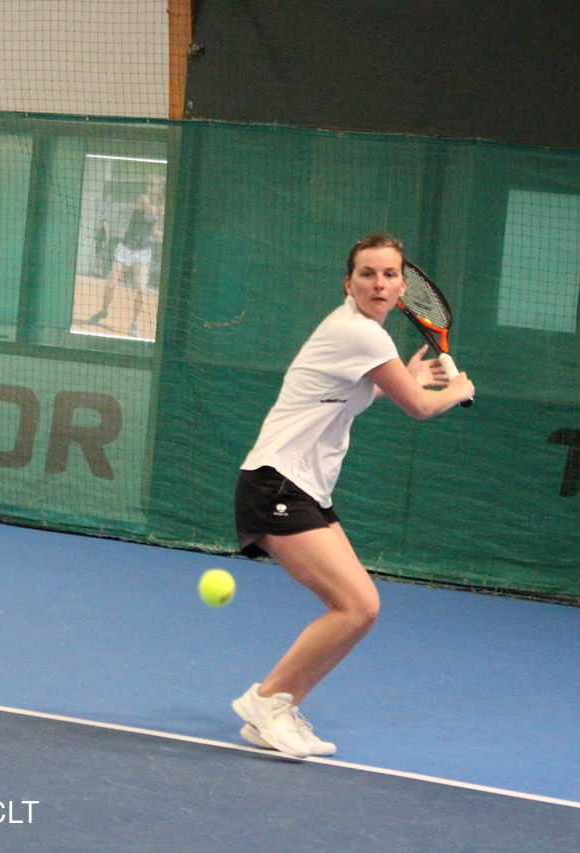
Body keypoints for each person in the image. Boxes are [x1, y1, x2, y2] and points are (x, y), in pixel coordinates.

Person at [230, 233, 475, 759]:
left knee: (359, 610)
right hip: (278, 485)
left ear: (403, 287)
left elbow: (352, 392)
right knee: (357, 605)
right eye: (367, 274)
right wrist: (457, 391)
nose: (379, 283)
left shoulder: (358, 333)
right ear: (349, 283)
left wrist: (405, 379)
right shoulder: (361, 334)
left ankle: (277, 706)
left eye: (389, 274)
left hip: (300, 487)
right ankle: (267, 701)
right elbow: (422, 407)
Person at [86, 174, 165, 338]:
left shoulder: (157, 208)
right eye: (149, 184)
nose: (150, 187)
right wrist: (163, 209)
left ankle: (134, 323)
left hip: (142, 252)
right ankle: (103, 311)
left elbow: (153, 232)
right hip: (126, 249)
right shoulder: (143, 199)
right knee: (110, 284)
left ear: (159, 189)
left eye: (154, 185)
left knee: (142, 289)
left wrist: (166, 235)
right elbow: (152, 211)